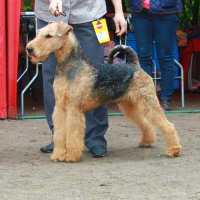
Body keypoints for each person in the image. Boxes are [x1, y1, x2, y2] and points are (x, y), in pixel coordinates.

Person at [34, 0, 126, 157]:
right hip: (50, 15)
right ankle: (60, 140)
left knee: (95, 77)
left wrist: (118, 11)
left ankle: (95, 139)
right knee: (52, 77)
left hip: (89, 14)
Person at [130, 0, 183, 111]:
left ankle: (165, 98)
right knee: (143, 55)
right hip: (140, 11)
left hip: (166, 10)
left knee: (165, 56)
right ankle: (145, 99)